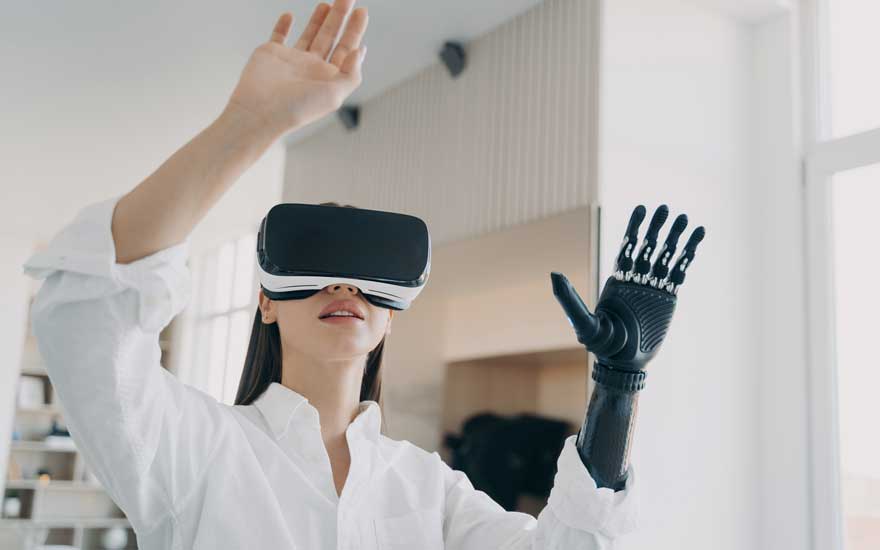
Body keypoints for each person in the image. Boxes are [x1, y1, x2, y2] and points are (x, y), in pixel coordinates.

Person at [21, 1, 639, 548]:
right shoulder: (196, 449)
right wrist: (251, 122)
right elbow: (88, 314)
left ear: (390, 314)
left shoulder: (429, 488)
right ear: (266, 302)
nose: (344, 287)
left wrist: (616, 390)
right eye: (317, 264)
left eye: (367, 273)